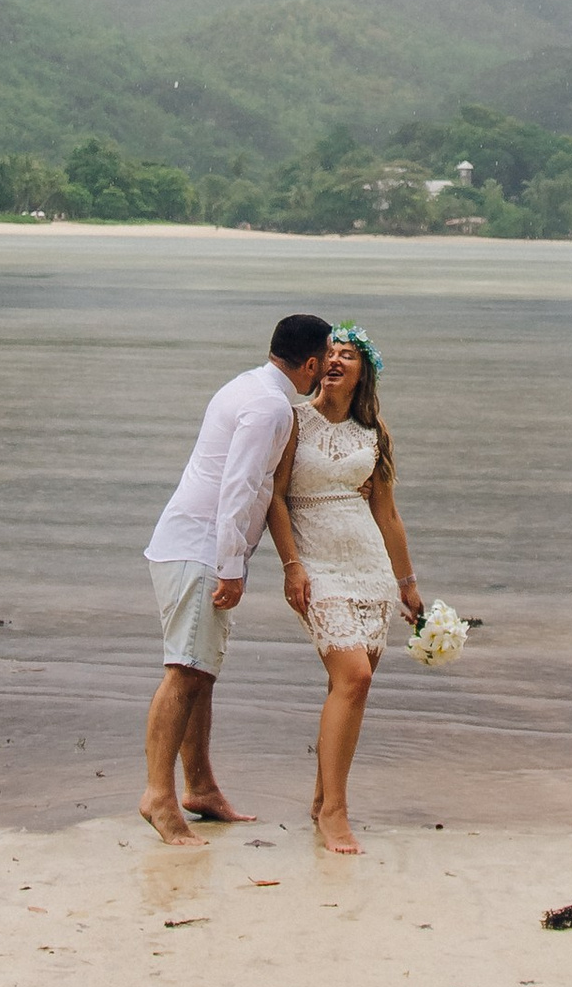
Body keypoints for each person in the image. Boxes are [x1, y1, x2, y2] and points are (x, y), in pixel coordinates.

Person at [141, 313, 332, 845]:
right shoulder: (270, 407)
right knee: (184, 673)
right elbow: (241, 488)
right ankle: (158, 797)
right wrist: (230, 568)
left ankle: (198, 787)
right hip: (200, 549)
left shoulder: (248, 386)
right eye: (326, 360)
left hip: (188, 544)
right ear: (311, 363)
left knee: (200, 672)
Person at [266, 321, 421, 856]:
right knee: (352, 677)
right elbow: (276, 497)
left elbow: (388, 513)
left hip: (370, 568)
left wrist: (407, 583)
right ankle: (336, 812)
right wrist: (291, 566)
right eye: (330, 352)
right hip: (316, 566)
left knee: (350, 691)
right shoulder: (293, 422)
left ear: (363, 373)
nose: (334, 360)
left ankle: (319, 801)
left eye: (348, 355)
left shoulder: (373, 433)